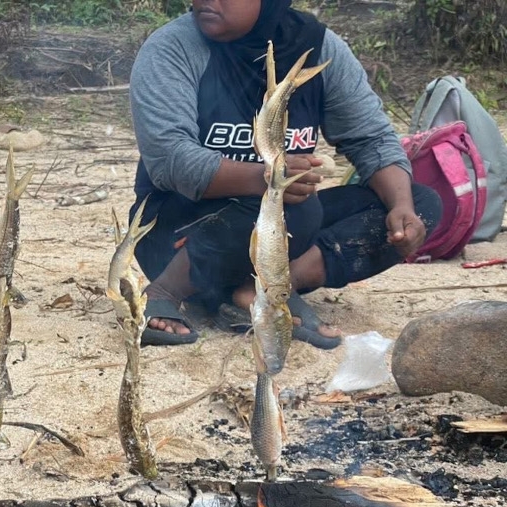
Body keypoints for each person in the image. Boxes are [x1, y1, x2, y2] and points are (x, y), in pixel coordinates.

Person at [129, 0, 443, 348]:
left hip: (284, 222)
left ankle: (266, 290)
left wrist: (401, 205)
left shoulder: (318, 49)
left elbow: (370, 138)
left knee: (419, 203)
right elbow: (168, 158)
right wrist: (267, 178)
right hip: (177, 230)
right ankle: (165, 290)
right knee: (288, 202)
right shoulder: (172, 48)